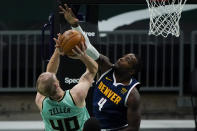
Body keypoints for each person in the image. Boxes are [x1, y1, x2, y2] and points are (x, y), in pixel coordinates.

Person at [60, 4, 141, 131]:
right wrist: (75, 25)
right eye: (124, 56)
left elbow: (133, 128)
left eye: (128, 60)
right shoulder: (107, 67)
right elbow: (88, 47)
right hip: (93, 126)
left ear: (131, 71)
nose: (121, 58)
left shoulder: (132, 95)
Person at [35, 33, 98, 131]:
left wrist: (57, 50)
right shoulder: (76, 96)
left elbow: (50, 72)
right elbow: (93, 70)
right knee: (94, 123)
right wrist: (83, 55)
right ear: (57, 84)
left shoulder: (40, 101)